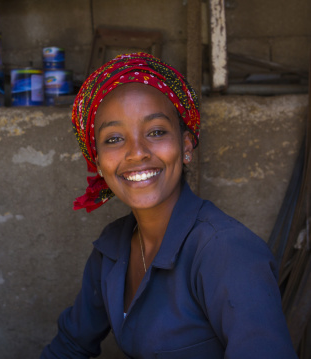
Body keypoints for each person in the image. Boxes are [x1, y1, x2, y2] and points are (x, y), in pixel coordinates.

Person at [40, 52, 297, 359]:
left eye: (157, 132)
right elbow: (70, 345)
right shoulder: (111, 250)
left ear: (186, 146)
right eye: (114, 138)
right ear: (98, 163)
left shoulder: (226, 251)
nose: (137, 152)